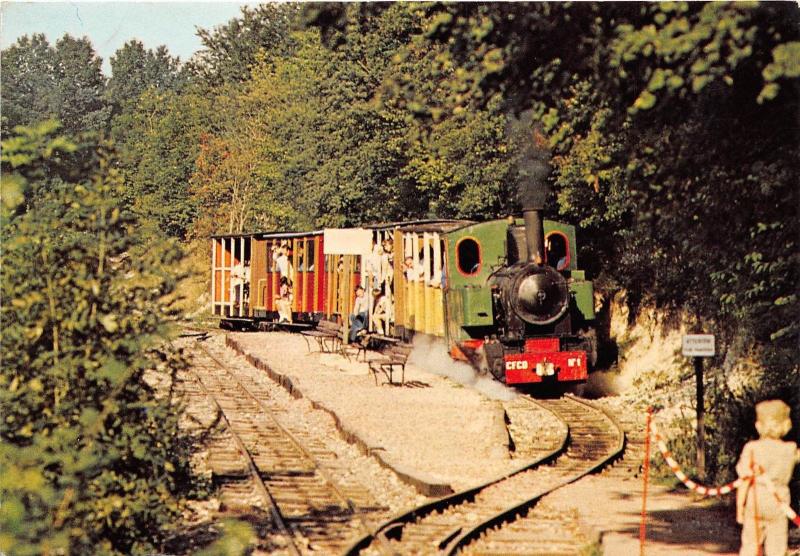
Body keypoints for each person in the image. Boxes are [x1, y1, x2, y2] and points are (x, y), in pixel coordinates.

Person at [735, 399, 799, 556]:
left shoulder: (751, 449)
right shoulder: (789, 449)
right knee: (776, 548)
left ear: (758, 425)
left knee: (750, 545)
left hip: (755, 503)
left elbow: (744, 482)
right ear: (786, 425)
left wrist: (739, 508)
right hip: (779, 504)